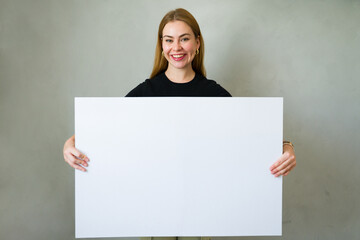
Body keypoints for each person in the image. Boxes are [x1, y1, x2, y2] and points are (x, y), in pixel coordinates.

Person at [63, 8, 296, 240]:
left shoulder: (215, 95)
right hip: (153, 215)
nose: (177, 48)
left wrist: (286, 148)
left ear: (197, 42)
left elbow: (251, 142)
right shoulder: (145, 94)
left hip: (201, 217)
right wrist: (70, 145)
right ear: (162, 46)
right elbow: (106, 134)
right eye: (169, 40)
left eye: (184, 39)